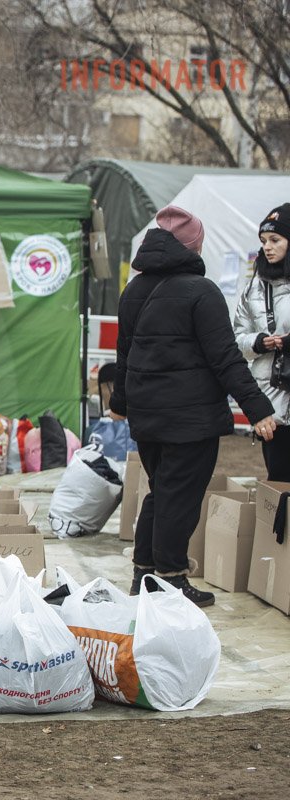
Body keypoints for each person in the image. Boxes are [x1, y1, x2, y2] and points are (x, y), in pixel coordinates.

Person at [112, 205, 276, 607]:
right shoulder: (201, 292)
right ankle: (170, 579)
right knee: (179, 497)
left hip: (147, 414)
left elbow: (124, 352)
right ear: (192, 245)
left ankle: (144, 575)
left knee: (161, 490)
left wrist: (119, 402)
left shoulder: (134, 289)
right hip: (190, 417)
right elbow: (225, 358)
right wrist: (259, 410)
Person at [232, 203, 290, 481]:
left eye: (275, 240)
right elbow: (235, 338)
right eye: (264, 241)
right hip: (272, 404)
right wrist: (259, 342)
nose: (267, 247)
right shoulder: (254, 287)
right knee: (278, 481)